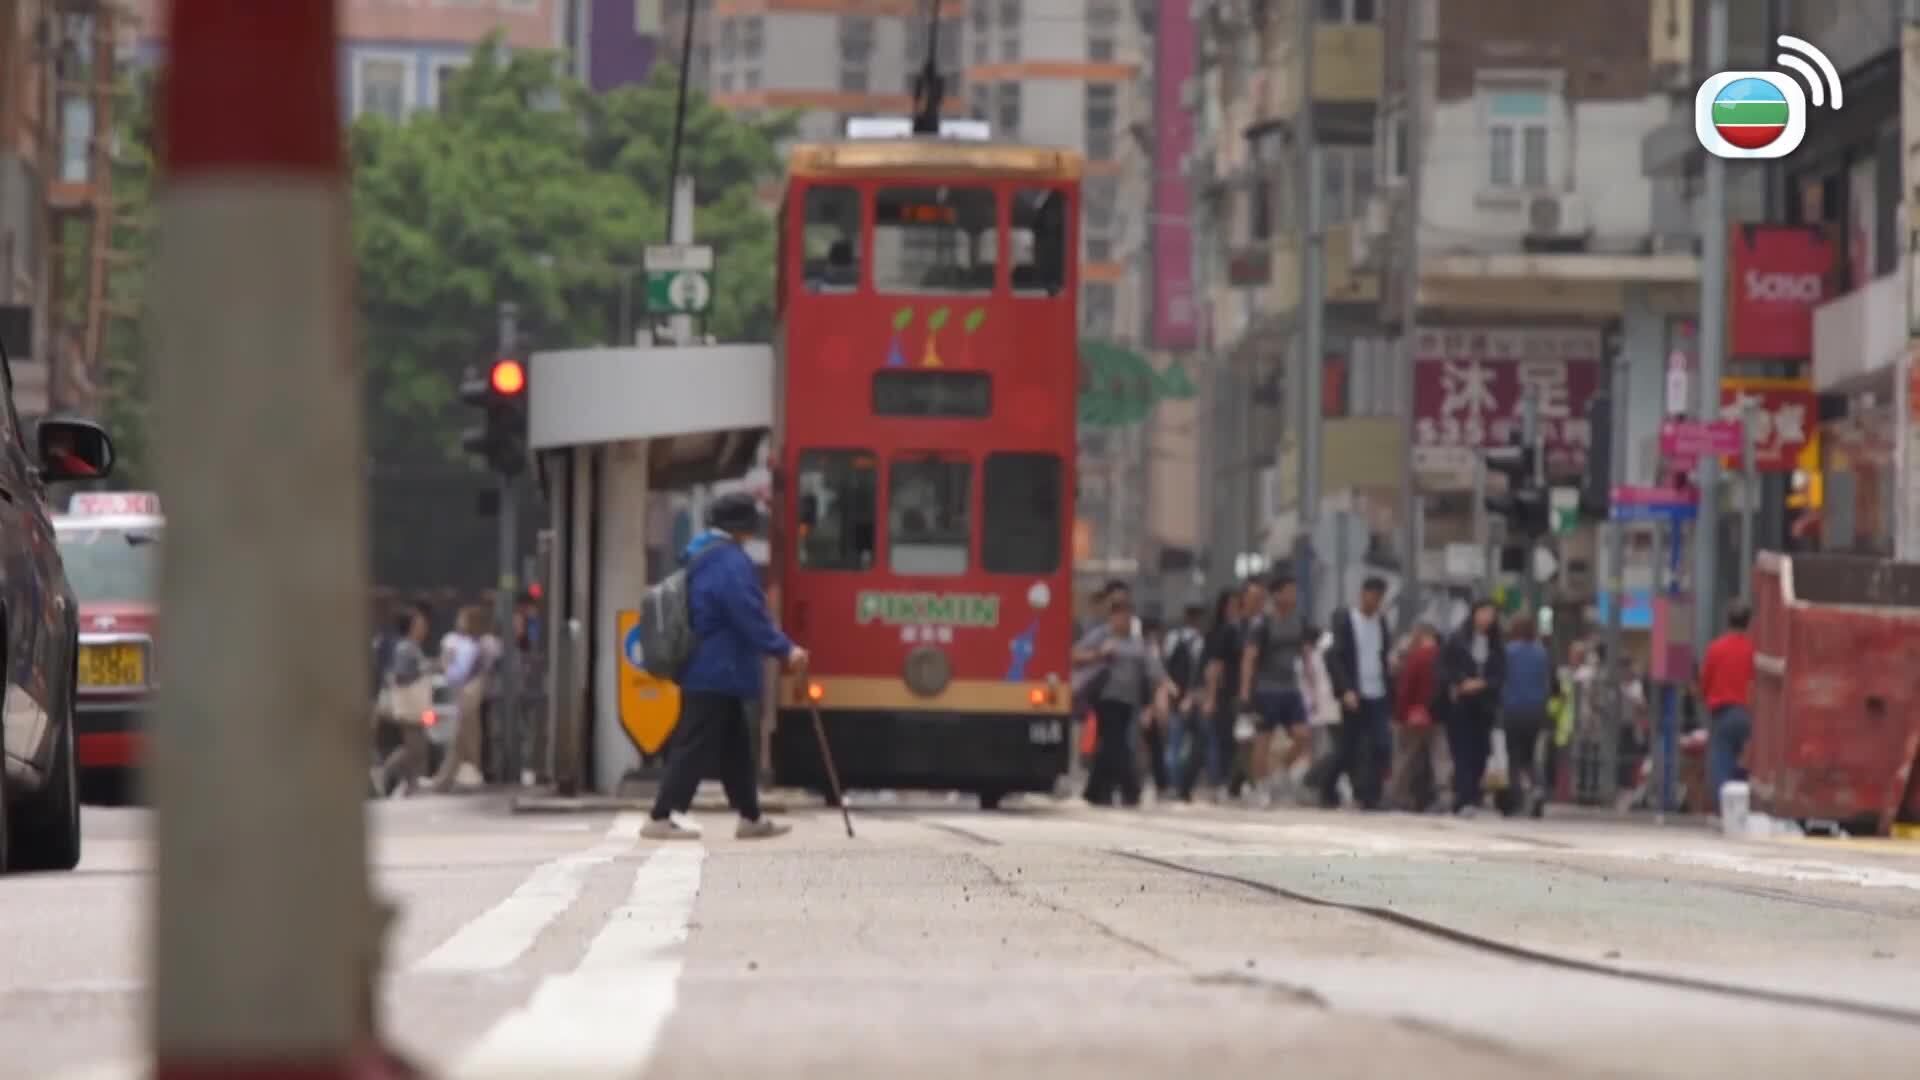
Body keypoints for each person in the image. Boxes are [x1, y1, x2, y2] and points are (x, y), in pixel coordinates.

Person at [643, 494, 804, 841]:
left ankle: (750, 816)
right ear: (742, 526)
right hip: (717, 669)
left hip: (714, 670)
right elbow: (747, 612)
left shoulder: (706, 555)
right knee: (693, 745)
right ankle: (660, 816)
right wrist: (785, 649)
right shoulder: (729, 561)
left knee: (735, 747)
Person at [1072, 593, 1172, 807]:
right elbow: (1075, 655)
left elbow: (1152, 667)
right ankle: (1130, 790)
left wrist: (1165, 683)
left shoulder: (1137, 642)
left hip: (1128, 702)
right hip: (1106, 699)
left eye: (1127, 615)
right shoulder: (1101, 636)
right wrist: (1099, 654)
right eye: (1119, 615)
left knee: (1109, 747)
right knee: (1118, 745)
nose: (1123, 620)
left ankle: (1096, 791)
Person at [1321, 576, 1393, 810]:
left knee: (1381, 744)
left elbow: (1383, 654)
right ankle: (1326, 785)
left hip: (1378, 692)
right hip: (1354, 693)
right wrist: (1345, 689)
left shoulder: (1381, 622)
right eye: (1373, 596)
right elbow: (1333, 657)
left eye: (1380, 598)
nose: (1376, 602)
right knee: (1349, 748)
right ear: (1363, 594)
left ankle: (1371, 796)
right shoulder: (1346, 619)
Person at [1238, 573, 1309, 806]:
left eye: (1294, 591)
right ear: (1276, 595)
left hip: (1291, 689)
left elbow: (1304, 653)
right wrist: (1245, 692)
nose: (1293, 596)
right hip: (1266, 689)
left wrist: (1310, 684)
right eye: (1288, 591)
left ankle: (1279, 775)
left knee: (1302, 736)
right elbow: (1249, 658)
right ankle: (1260, 787)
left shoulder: (1298, 621)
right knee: (1263, 740)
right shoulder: (1262, 623)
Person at [1439, 599, 1505, 817]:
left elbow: (1500, 674)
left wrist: (1483, 684)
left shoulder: (1496, 644)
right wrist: (1459, 683)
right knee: (1462, 752)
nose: (1486, 618)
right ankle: (1463, 798)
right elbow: (1443, 667)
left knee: (1481, 753)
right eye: (1483, 612)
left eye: (1490, 614)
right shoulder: (1457, 639)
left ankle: (1472, 794)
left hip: (1484, 705)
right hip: (1460, 705)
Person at [1699, 604, 1756, 808]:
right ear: (1748, 623)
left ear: (1727, 621)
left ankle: (1725, 808)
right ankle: (1744, 804)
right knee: (1746, 762)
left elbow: (1705, 682)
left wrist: (1706, 698)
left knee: (1722, 762)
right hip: (1747, 713)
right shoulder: (1752, 650)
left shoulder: (1716, 648)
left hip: (1722, 713)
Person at [1389, 622, 1447, 812]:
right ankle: (1443, 796)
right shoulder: (1444, 655)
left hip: (1414, 715)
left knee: (1405, 758)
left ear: (1421, 635)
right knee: (1439, 758)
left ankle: (1398, 797)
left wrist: (1399, 715)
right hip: (1439, 716)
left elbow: (1406, 689)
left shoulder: (1416, 657)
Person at [1500, 613, 1553, 818]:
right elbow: (1548, 683)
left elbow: (1502, 680)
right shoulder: (1541, 654)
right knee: (1530, 756)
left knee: (1513, 756)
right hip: (1536, 711)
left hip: (1513, 709)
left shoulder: (1508, 652)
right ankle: (1537, 788)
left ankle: (1516, 799)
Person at [1197, 588, 1245, 801]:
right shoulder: (1220, 633)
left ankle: (1234, 783)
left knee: (1240, 742)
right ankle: (1221, 782)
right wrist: (1210, 697)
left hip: (1240, 693)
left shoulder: (1245, 630)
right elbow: (1213, 667)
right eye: (1230, 606)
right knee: (1222, 741)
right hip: (1223, 694)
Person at [1161, 603, 1209, 800]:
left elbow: (1165, 668)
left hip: (1180, 697)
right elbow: (1198, 674)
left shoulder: (1173, 638)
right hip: (1188, 698)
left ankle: (1177, 786)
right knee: (1184, 744)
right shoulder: (1199, 642)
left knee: (1176, 745)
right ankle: (1180, 786)